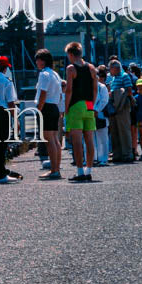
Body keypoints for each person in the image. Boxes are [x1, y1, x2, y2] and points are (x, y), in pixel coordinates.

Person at [64, 41, 98, 183]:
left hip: (76, 106)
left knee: (77, 141)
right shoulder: (91, 68)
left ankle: (79, 171)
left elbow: (69, 90)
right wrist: (93, 103)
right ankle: (88, 171)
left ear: (71, 54)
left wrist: (66, 108)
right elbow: (95, 88)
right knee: (89, 140)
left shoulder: (71, 68)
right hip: (89, 104)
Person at [34, 49, 64, 180]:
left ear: (42, 60)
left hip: (46, 107)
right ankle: (56, 168)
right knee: (55, 139)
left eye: (38, 59)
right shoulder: (55, 74)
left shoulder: (44, 74)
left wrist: (39, 109)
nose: (36, 62)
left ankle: (54, 170)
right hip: (54, 106)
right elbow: (60, 94)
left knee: (49, 139)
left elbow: (43, 93)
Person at [106, 58, 135, 163]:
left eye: (110, 69)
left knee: (124, 130)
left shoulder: (124, 76)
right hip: (114, 105)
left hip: (122, 105)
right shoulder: (113, 78)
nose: (109, 71)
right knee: (115, 131)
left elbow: (129, 90)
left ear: (115, 68)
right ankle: (117, 153)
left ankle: (127, 154)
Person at [93, 65, 111, 166]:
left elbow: (104, 100)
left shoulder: (101, 87)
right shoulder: (86, 87)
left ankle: (103, 158)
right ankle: (92, 158)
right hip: (89, 114)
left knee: (103, 137)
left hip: (101, 115)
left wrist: (96, 110)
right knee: (90, 137)